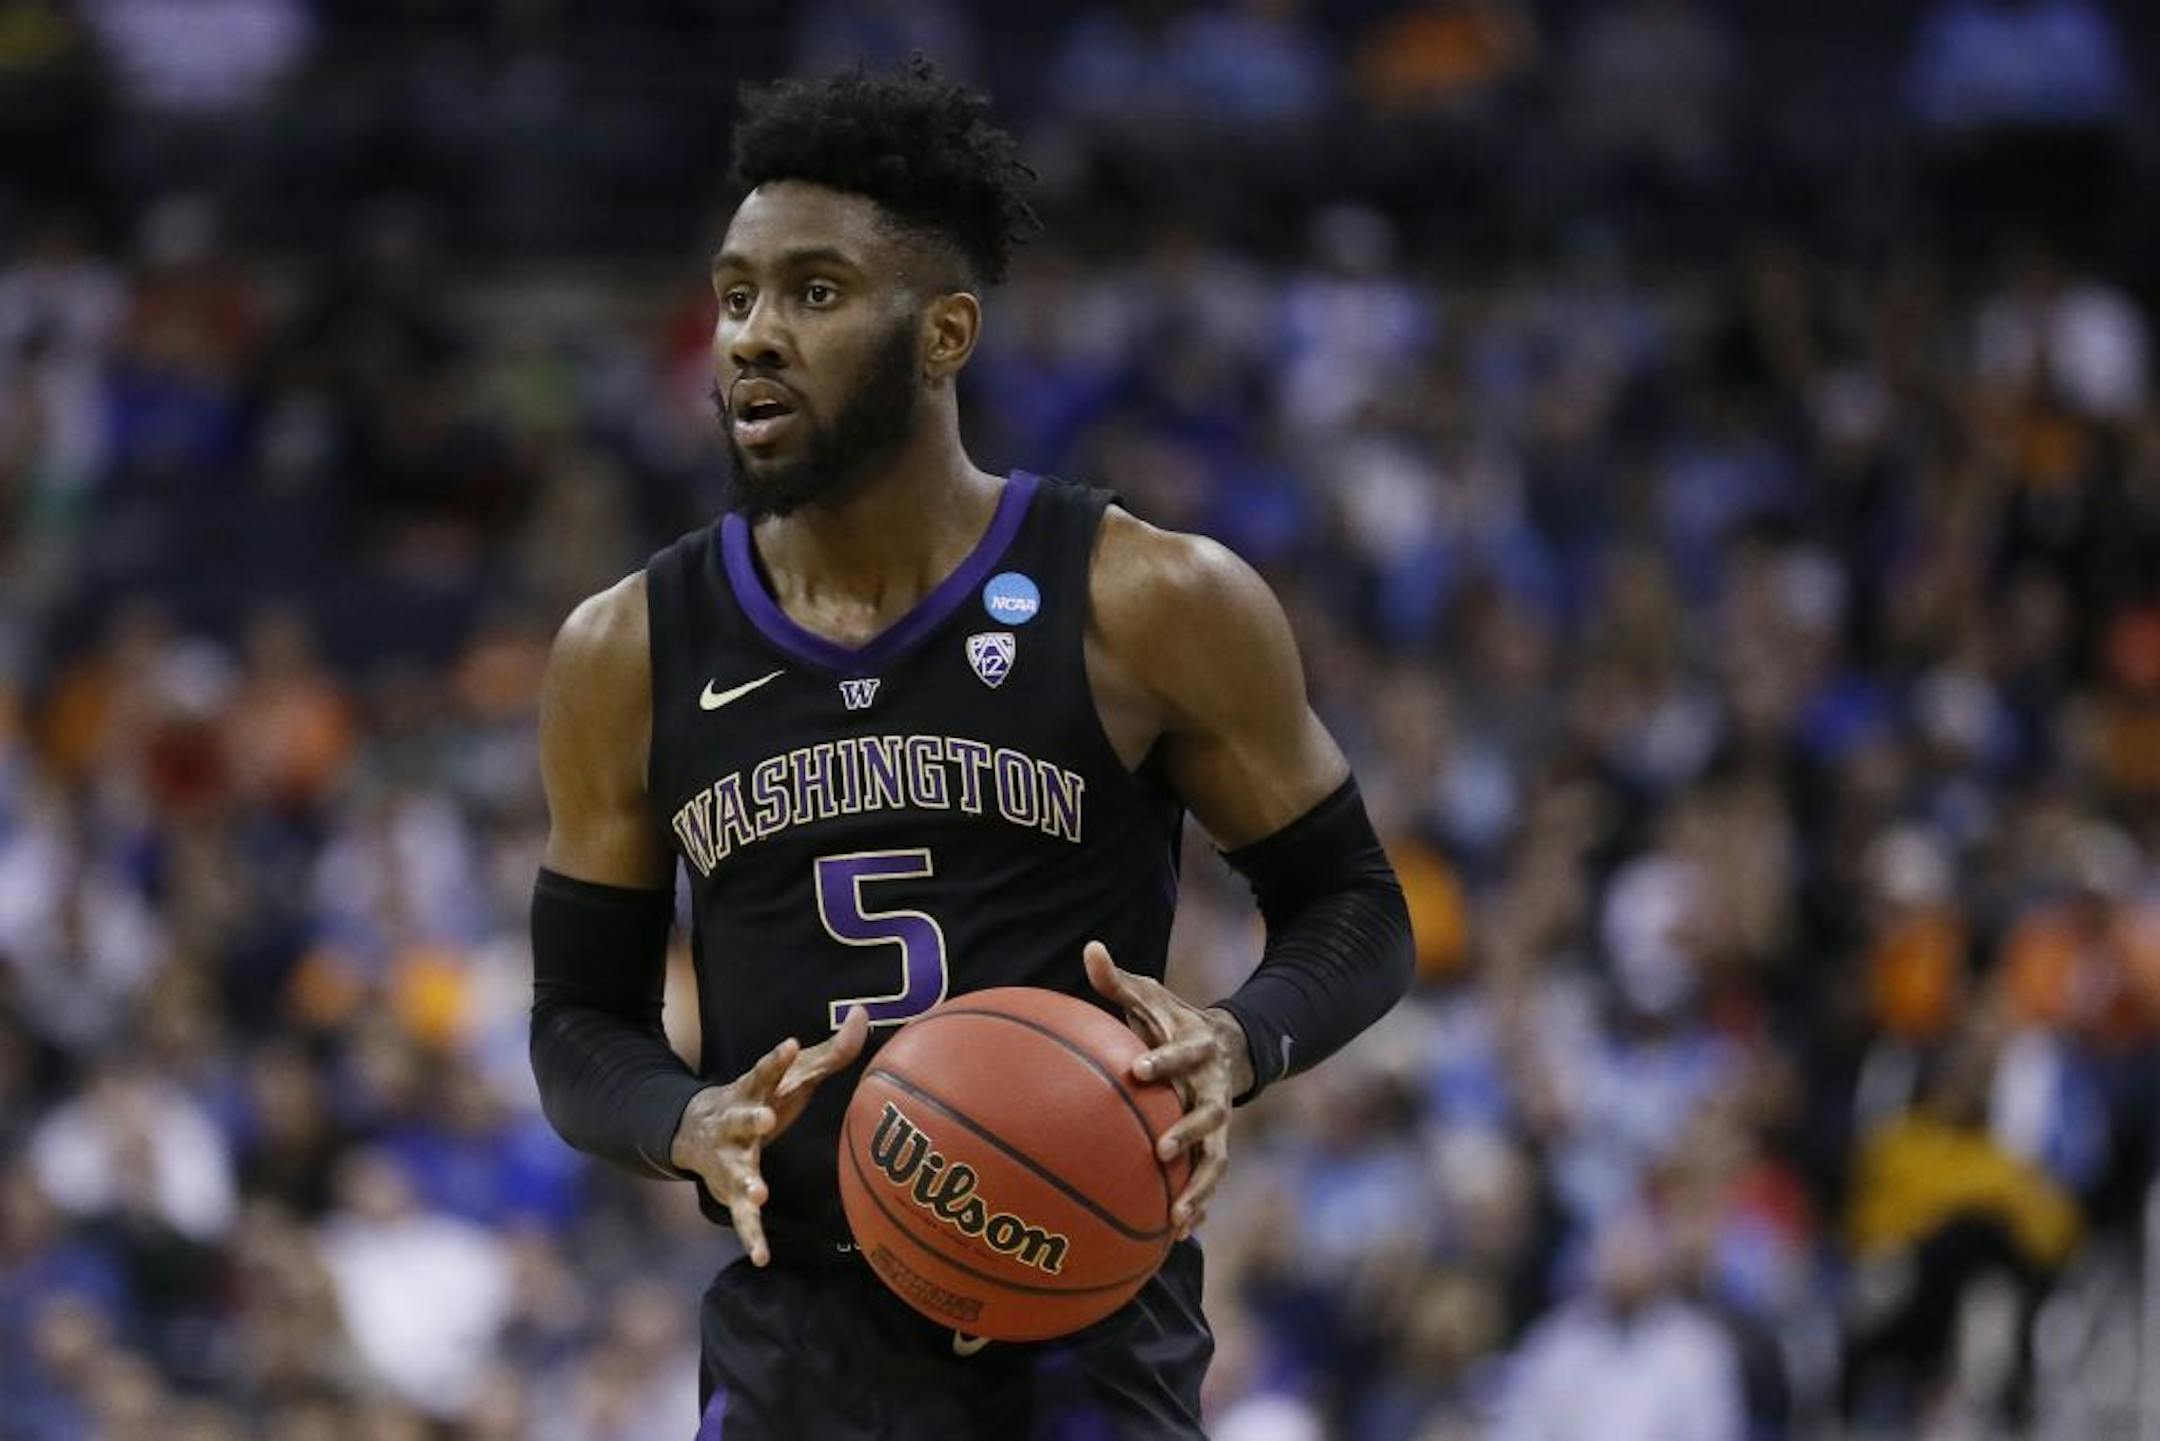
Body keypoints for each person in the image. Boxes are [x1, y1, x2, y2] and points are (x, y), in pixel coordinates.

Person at [528, 59, 1414, 1440]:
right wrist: (682, 1119)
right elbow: (577, 1023)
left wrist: (1238, 1040)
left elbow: (1357, 905)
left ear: (944, 333)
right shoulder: (626, 648)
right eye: (737, 296)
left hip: (1082, 1333)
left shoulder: (1147, 597)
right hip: (797, 1342)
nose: (755, 336)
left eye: (816, 292)